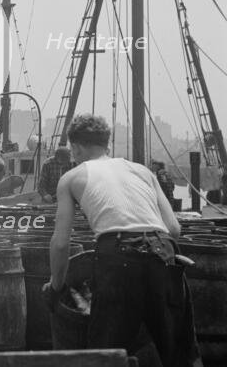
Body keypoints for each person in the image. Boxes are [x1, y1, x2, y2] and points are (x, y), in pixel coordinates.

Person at [43, 114, 200, 367]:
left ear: (76, 147)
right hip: (164, 251)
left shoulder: (72, 178)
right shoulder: (142, 171)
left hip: (117, 257)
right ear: (107, 144)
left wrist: (56, 285)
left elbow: (61, 243)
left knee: (106, 354)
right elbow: (174, 228)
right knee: (179, 353)